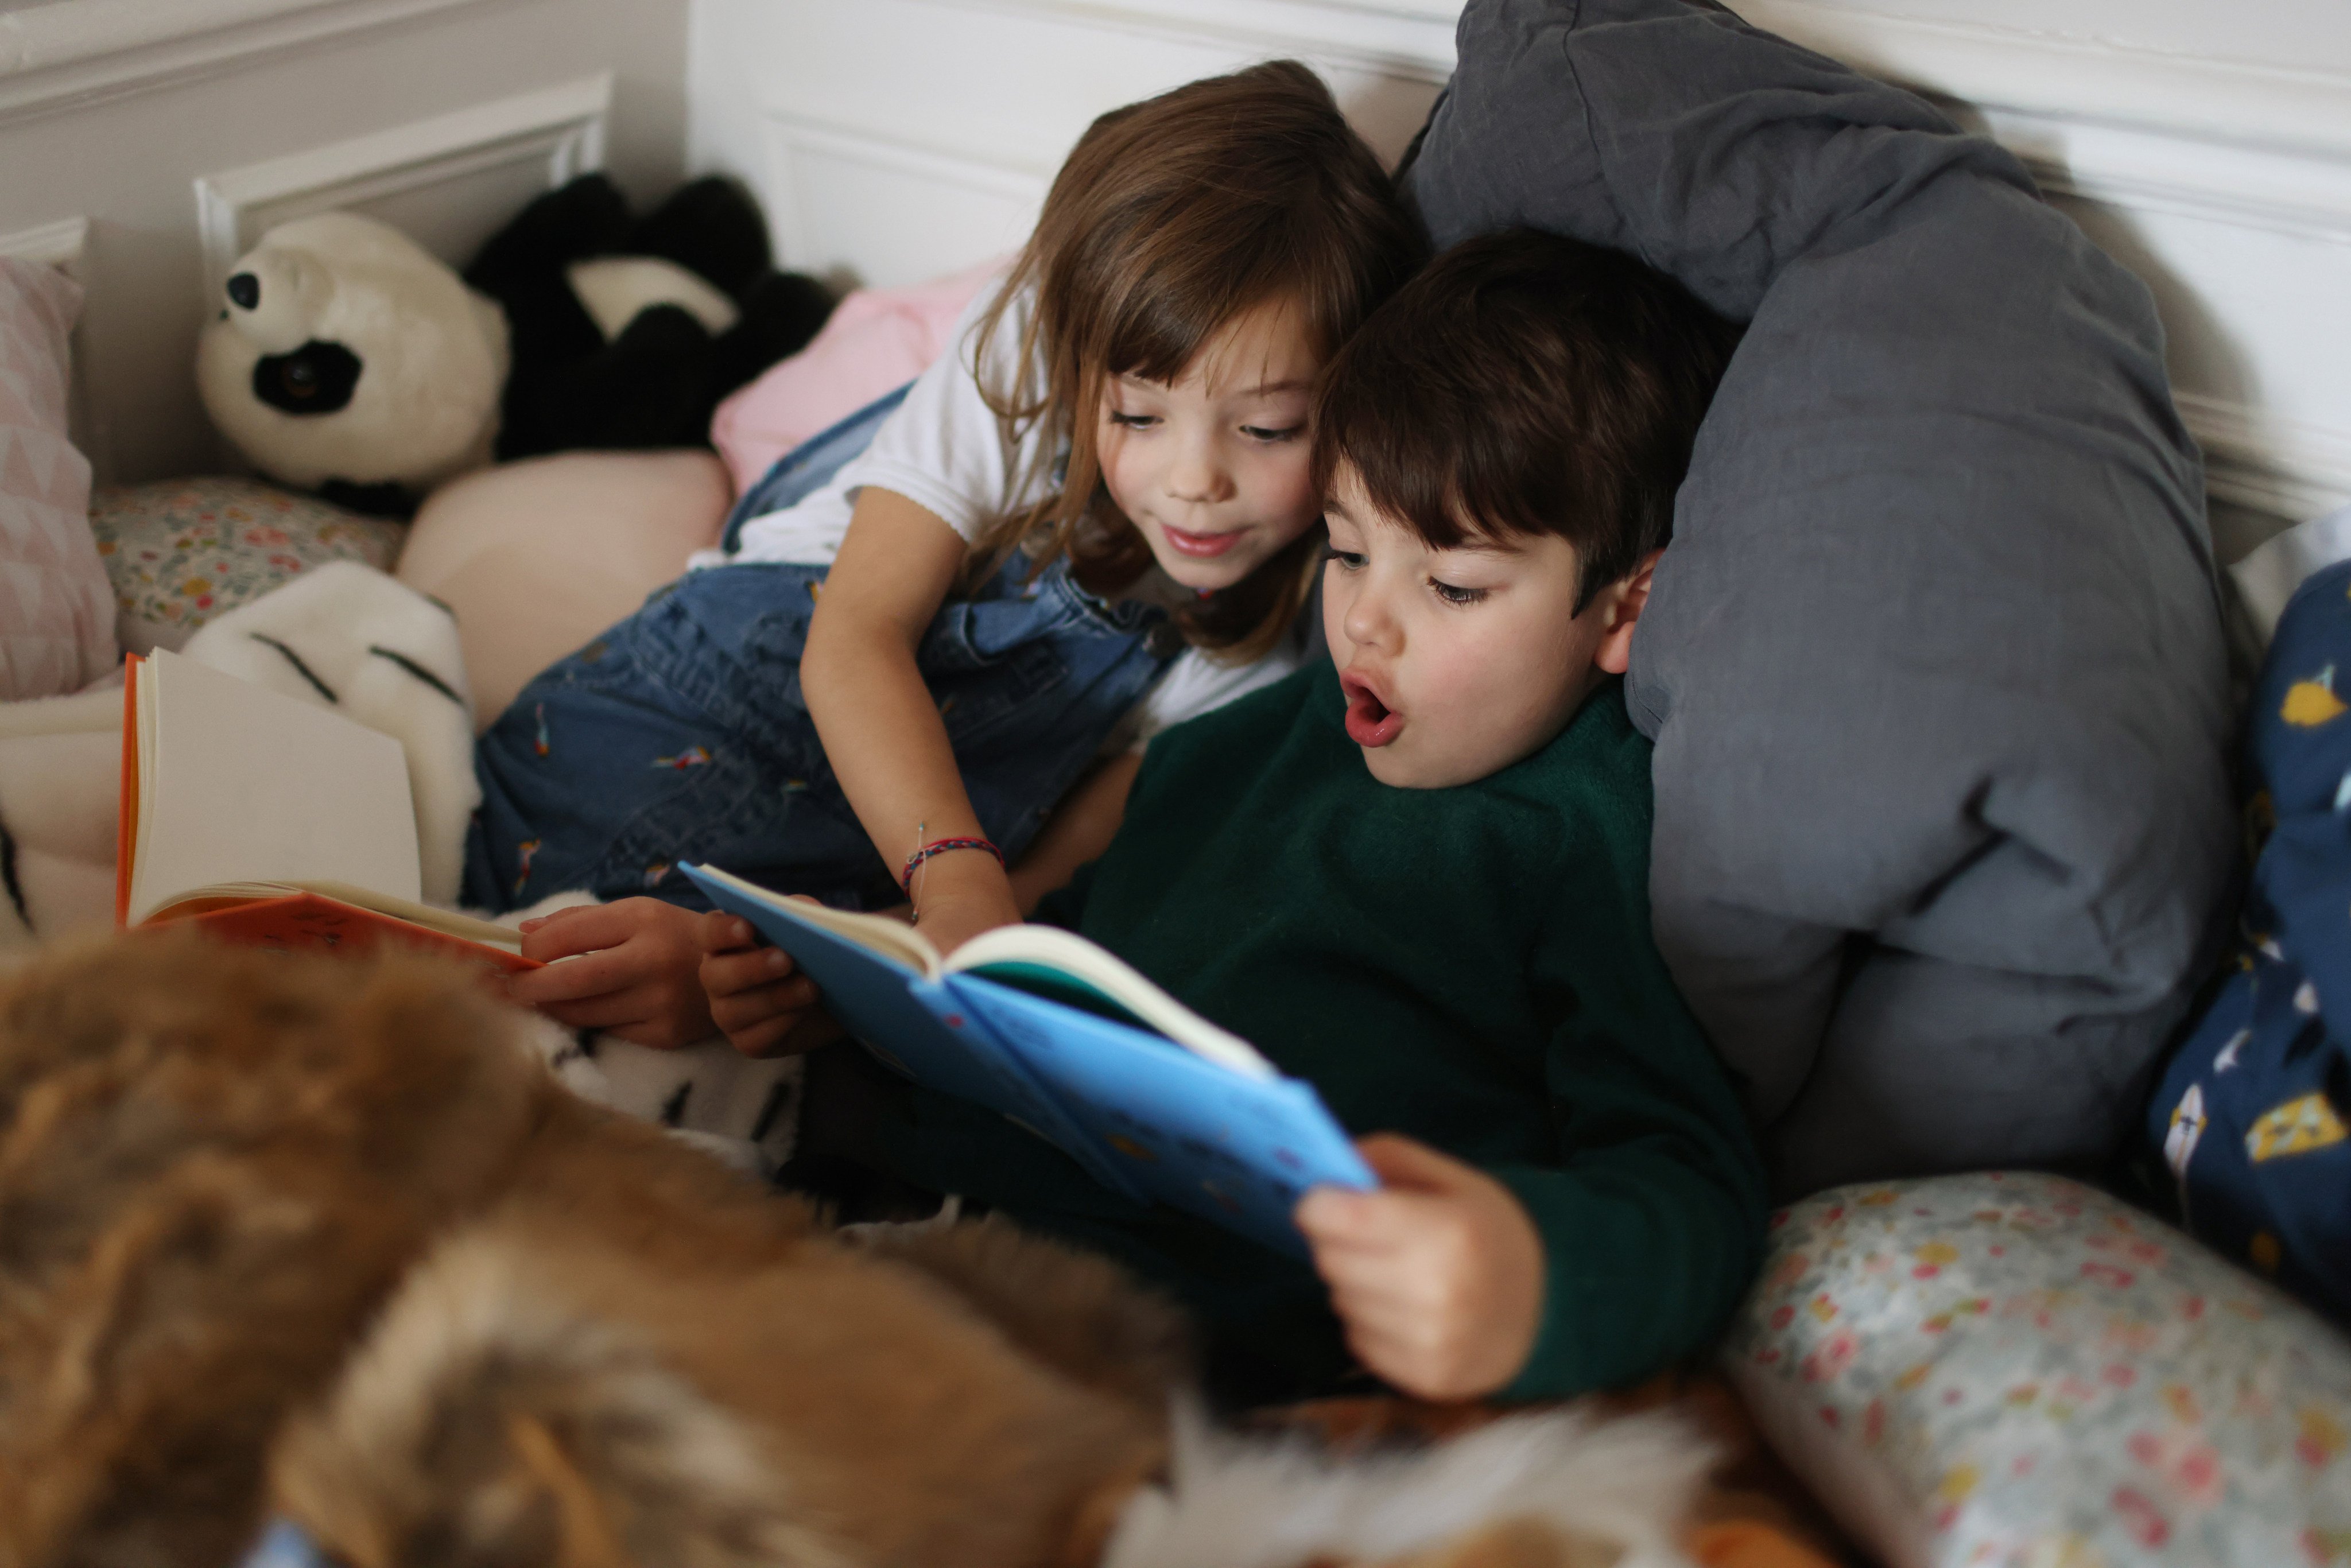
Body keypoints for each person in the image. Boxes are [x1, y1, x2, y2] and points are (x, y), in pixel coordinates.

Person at [708, 230, 1767, 1405]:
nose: (1365, 623)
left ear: (1624, 608)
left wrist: (1533, 1280)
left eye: (1452, 585)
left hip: (1168, 1348)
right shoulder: (1233, 749)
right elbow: (1042, 975)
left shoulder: (1587, 829)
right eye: (1348, 551)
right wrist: (842, 996)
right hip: (917, 1214)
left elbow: (1690, 1184)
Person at [467, 60, 1423, 1047]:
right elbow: (856, 636)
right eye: (1138, 414)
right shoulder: (1027, 349)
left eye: (1266, 430)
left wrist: (818, 977)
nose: (1192, 481)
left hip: (862, 869)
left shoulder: (1270, 658)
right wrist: (954, 885)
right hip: (700, 706)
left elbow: (1031, 893)